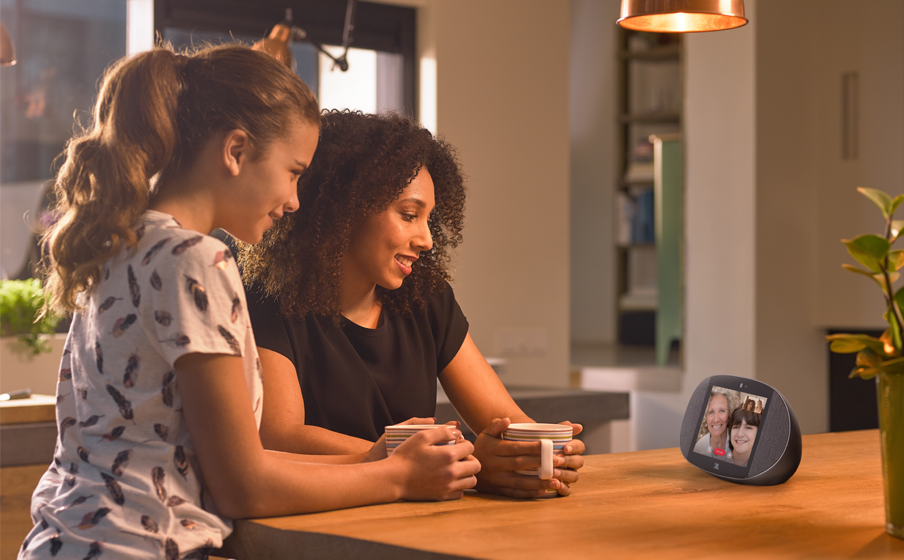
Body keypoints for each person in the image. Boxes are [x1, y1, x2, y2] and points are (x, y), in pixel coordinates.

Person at [21, 45, 478, 560]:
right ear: (236, 151)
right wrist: (396, 478)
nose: (296, 201)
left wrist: (376, 459)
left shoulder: (119, 245)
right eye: (293, 171)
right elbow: (242, 486)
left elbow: (227, 461)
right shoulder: (196, 260)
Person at [240, 110, 585, 499]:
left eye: (429, 219)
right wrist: (453, 459)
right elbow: (281, 436)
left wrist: (537, 451)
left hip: (415, 515)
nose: (426, 239)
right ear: (344, 210)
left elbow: (503, 418)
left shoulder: (426, 299)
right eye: (408, 215)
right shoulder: (266, 297)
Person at [693, 387, 739, 459]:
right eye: (711, 412)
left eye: (722, 411)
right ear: (705, 416)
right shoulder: (699, 447)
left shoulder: (738, 444)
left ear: (729, 414)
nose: (716, 419)